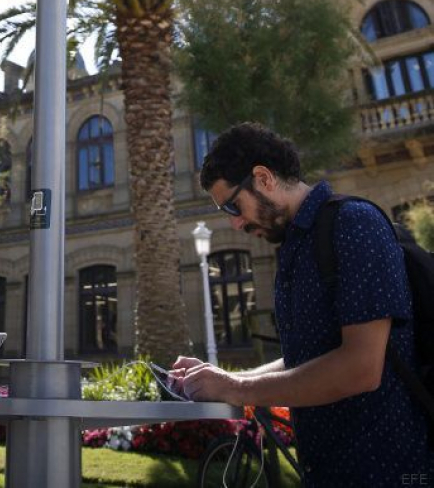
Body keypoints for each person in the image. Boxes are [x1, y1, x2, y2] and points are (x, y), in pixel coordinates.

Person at [171, 123, 434, 487]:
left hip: (386, 471)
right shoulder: (296, 244)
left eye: (233, 205)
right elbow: (307, 357)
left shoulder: (353, 224)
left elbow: (361, 367)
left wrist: (236, 389)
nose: (235, 223)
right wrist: (223, 378)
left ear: (263, 178)